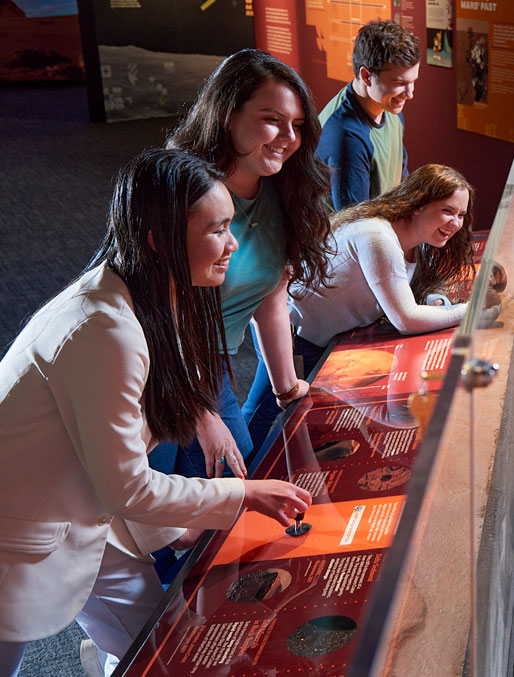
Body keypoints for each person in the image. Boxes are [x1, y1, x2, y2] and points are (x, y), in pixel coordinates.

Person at [0, 149, 312, 677]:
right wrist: (242, 495)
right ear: (156, 238)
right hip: (20, 529)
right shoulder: (105, 330)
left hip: (85, 518)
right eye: (216, 231)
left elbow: (110, 458)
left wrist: (174, 524)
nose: (232, 245)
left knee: (163, 650)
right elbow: (125, 485)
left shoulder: (149, 293)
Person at [160, 48, 333, 481]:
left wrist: (287, 388)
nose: (288, 137)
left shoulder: (281, 191)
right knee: (164, 513)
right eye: (272, 119)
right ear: (227, 115)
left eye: (296, 125)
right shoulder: (184, 193)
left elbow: (269, 299)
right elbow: (163, 315)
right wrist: (202, 413)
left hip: (211, 364)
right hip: (160, 364)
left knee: (207, 499)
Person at [243, 164, 477, 438]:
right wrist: (470, 310)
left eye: (460, 215)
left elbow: (401, 299)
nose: (455, 223)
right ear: (418, 204)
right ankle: (236, 475)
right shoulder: (379, 237)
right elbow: (406, 318)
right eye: (447, 211)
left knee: (289, 415)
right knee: (264, 410)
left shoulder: (416, 240)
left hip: (322, 337)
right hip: (292, 332)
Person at [317, 20, 420, 211]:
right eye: (399, 83)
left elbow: (401, 180)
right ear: (366, 76)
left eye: (412, 81)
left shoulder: (389, 108)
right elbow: (356, 225)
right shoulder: (346, 136)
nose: (410, 93)